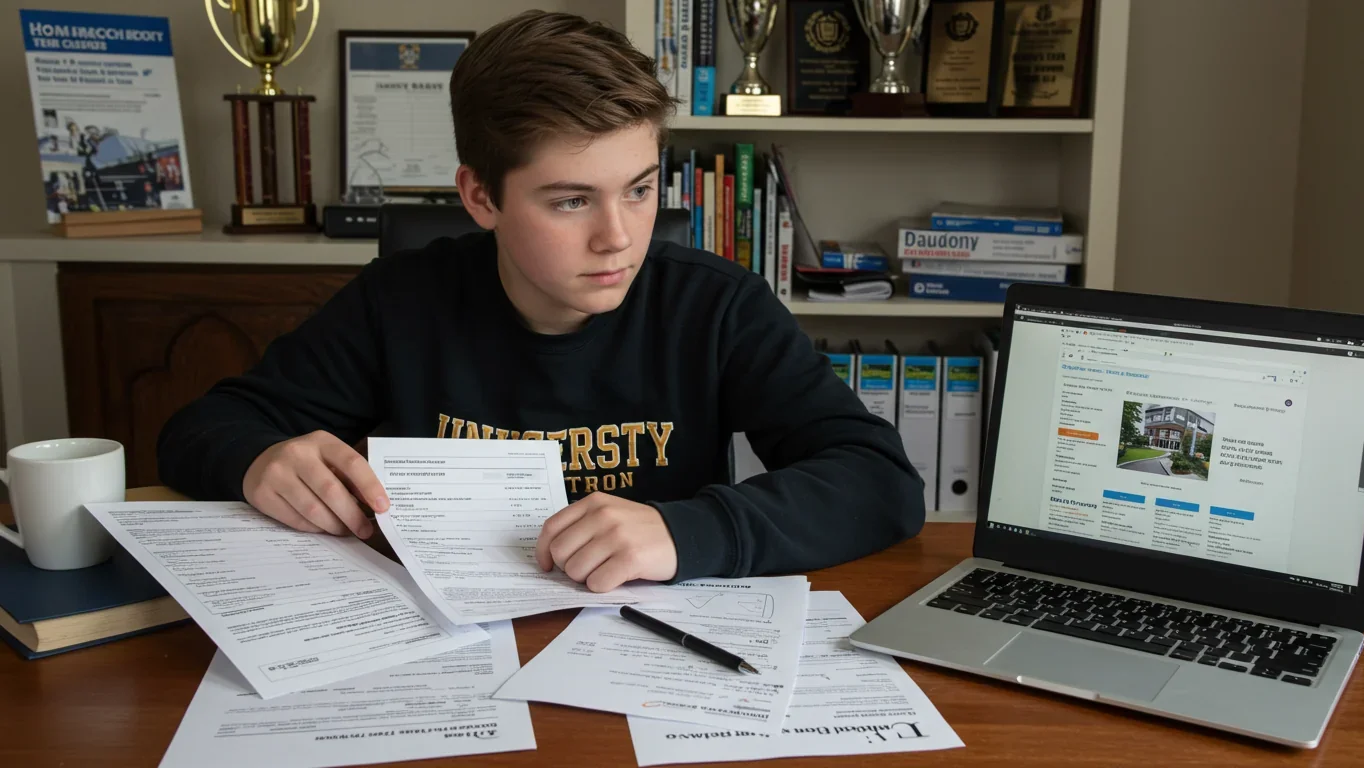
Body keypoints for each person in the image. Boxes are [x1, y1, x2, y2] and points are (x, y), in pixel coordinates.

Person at [157, 10, 924, 593]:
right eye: (569, 202)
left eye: (641, 189)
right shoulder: (402, 302)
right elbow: (202, 429)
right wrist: (257, 459)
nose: (618, 238)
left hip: (653, 653)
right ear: (480, 196)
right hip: (441, 647)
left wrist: (685, 533)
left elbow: (879, 481)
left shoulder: (716, 309)